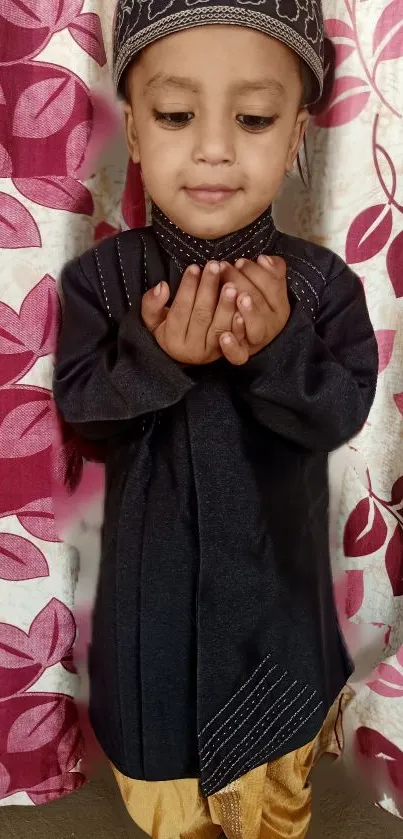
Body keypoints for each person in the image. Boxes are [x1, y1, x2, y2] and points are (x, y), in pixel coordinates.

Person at [54, 1, 378, 837]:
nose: (212, 145)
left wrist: (278, 350)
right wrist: (156, 355)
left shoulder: (319, 285)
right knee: (169, 802)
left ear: (297, 133)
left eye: (254, 117)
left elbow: (341, 412)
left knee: (275, 802)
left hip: (279, 613)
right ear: (131, 126)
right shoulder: (104, 281)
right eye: (174, 113)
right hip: (152, 621)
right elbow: (82, 418)